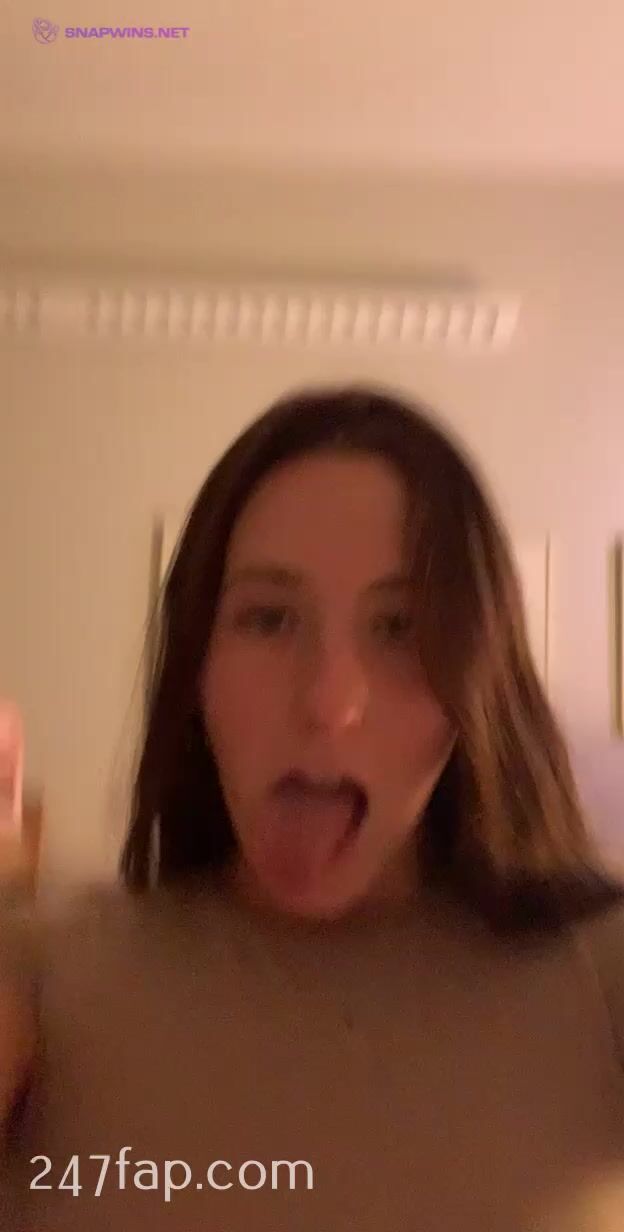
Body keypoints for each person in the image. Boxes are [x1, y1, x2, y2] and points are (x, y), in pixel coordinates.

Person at [1, 383, 624, 1230]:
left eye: (401, 628)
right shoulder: (45, 977)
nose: (330, 701)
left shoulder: (598, 978)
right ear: (195, 667)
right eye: (268, 618)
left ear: (475, 681)